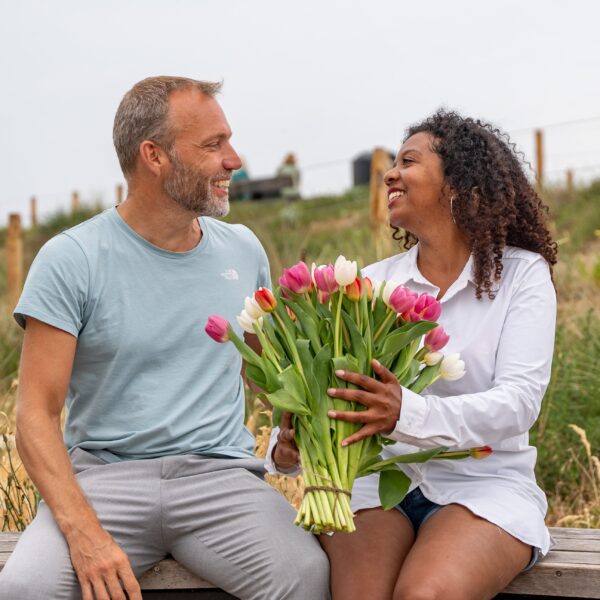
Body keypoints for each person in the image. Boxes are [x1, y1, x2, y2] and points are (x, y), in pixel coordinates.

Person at [0, 76, 329, 600]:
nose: (234, 159)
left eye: (230, 141)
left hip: (221, 482)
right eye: (212, 145)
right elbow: (35, 414)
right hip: (104, 484)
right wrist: (85, 533)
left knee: (306, 576)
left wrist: (298, 427)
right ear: (154, 156)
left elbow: (268, 376)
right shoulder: (72, 259)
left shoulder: (243, 250)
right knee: (26, 588)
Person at [270, 110, 557, 600]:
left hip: (484, 485)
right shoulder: (372, 285)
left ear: (458, 183)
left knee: (425, 594)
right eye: (393, 162)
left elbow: (519, 403)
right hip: (380, 485)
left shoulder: (522, 276)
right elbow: (336, 392)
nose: (390, 173)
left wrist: (408, 412)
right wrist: (292, 443)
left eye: (409, 160)